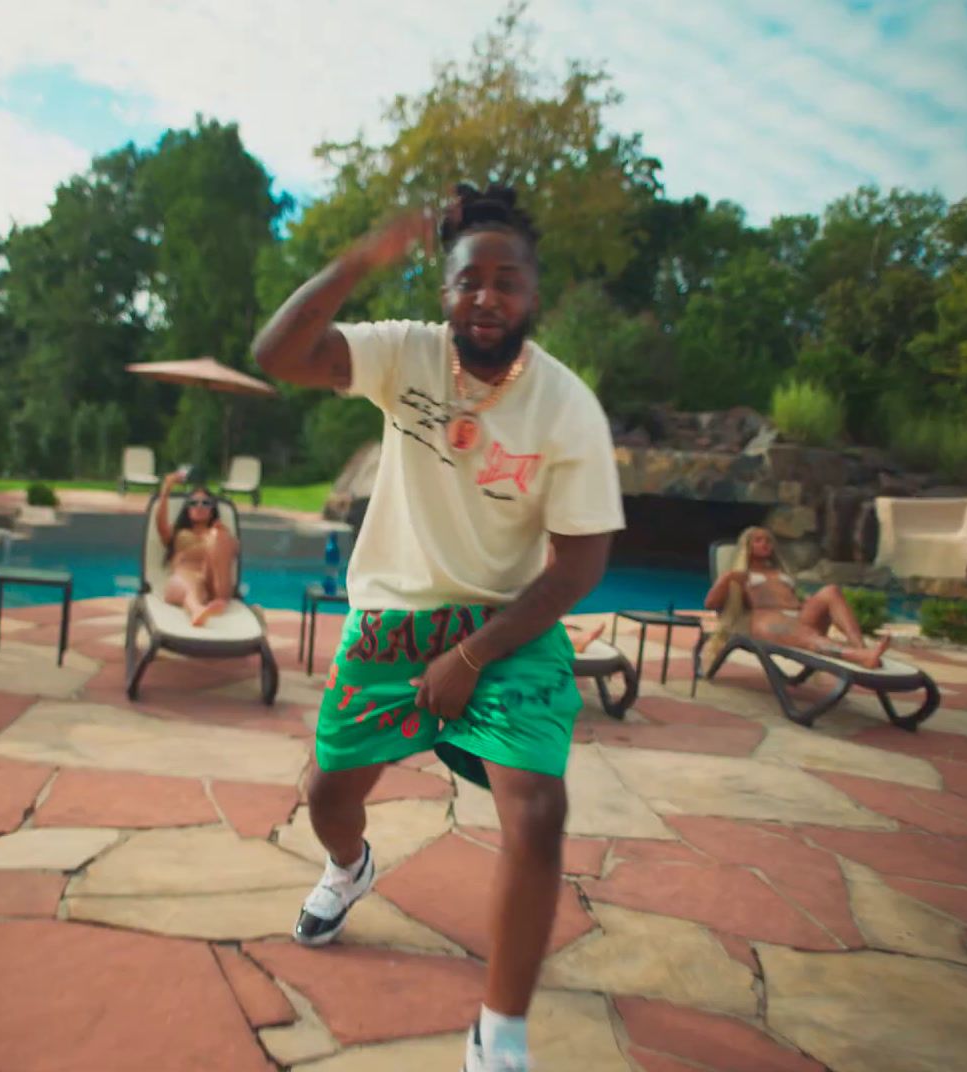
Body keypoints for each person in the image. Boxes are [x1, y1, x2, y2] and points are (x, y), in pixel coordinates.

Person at [253, 181, 623, 1072]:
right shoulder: (406, 354)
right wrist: (361, 258)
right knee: (327, 794)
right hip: (391, 620)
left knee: (536, 812)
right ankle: (350, 868)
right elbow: (278, 352)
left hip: (507, 625)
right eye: (469, 280)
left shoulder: (566, 406)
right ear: (445, 292)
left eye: (507, 280)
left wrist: (472, 652)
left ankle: (500, 1034)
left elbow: (578, 565)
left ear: (533, 295)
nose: (487, 296)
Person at [705, 526, 889, 667]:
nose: (765, 544)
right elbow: (710, 603)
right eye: (758, 540)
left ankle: (859, 646)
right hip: (768, 618)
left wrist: (805, 602)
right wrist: (727, 578)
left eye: (768, 540)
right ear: (747, 546)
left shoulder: (779, 571)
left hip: (798, 616)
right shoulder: (741, 575)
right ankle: (859, 657)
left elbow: (790, 597)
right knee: (809, 636)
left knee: (831, 591)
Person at [154, 469, 238, 627]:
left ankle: (215, 601)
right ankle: (197, 610)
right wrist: (166, 488)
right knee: (190, 587)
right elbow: (161, 526)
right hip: (183, 580)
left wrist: (219, 537)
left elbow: (232, 553)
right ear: (187, 508)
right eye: (193, 503)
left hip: (213, 584)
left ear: (212, 509)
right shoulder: (179, 533)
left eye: (205, 503)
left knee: (220, 538)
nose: (199, 507)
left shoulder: (219, 534)